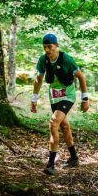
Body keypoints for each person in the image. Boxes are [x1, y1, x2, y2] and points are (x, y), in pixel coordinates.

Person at [31, 33, 89, 175]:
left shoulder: (66, 59)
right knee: (64, 126)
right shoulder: (43, 60)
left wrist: (85, 99)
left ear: (56, 46)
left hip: (68, 96)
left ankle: (51, 164)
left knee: (53, 123)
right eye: (44, 47)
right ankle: (74, 158)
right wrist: (34, 99)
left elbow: (81, 76)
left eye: (49, 47)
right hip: (54, 97)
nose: (47, 50)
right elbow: (38, 79)